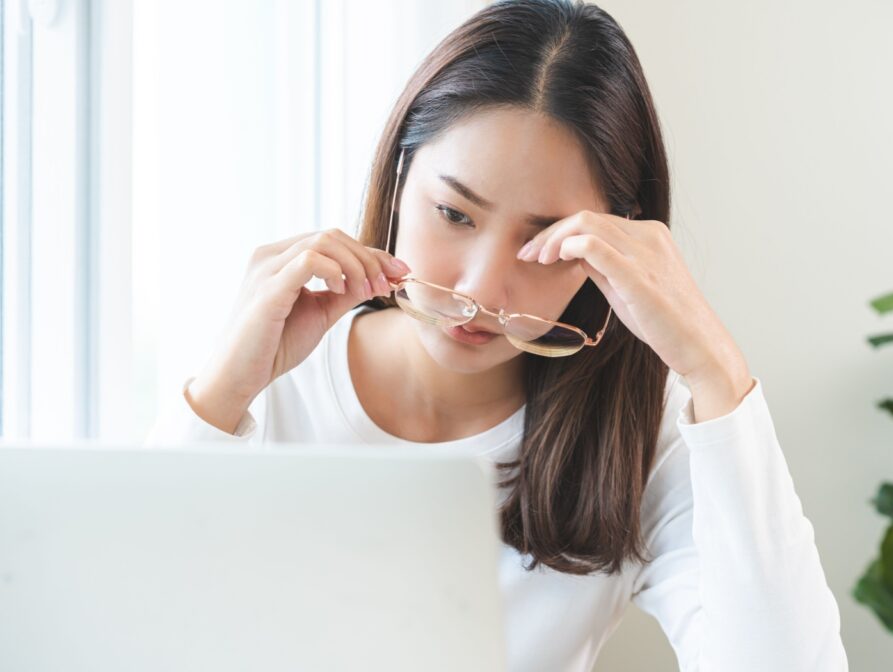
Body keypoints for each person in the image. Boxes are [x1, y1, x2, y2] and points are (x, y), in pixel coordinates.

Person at [147, 0, 849, 669]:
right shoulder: (266, 382)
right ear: (399, 178)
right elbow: (124, 630)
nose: (481, 292)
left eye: (547, 245)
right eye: (454, 214)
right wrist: (219, 397)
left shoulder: (640, 433)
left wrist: (714, 368)